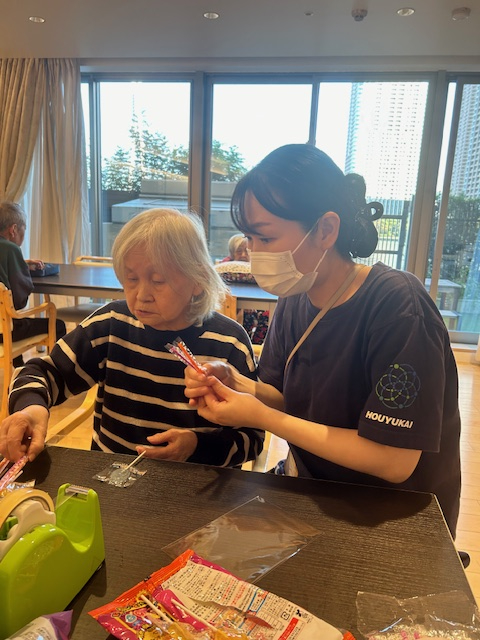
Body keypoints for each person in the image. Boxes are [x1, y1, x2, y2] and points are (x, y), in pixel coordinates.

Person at [184, 143, 462, 537]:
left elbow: (394, 460)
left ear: (326, 230)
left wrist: (261, 417)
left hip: (394, 519)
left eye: (265, 238)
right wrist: (236, 382)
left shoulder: (398, 306)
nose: (253, 253)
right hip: (316, 495)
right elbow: (289, 399)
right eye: (249, 238)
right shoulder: (295, 297)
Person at [0, 208, 262, 468]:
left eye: (158, 280)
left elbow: (251, 438)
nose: (141, 295)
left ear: (198, 279)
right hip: (110, 477)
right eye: (131, 278)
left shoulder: (230, 342)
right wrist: (30, 409)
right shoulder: (111, 324)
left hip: (198, 485)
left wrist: (196, 447)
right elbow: (42, 372)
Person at [0, 201, 66, 366]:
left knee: (10, 320)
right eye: (24, 229)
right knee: (58, 325)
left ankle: (18, 371)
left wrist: (21, 264)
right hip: (5, 332)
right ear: (13, 229)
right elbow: (19, 301)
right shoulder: (10, 249)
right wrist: (21, 269)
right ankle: (57, 375)